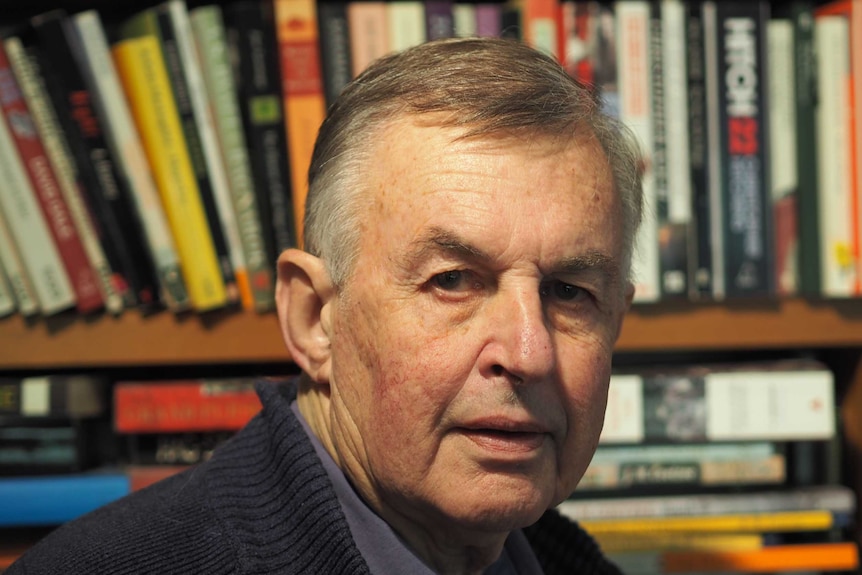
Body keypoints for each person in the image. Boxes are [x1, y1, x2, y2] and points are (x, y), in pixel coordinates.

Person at [8, 37, 642, 575]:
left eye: (569, 293)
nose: (528, 353)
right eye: (453, 281)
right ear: (314, 320)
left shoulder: (562, 559)